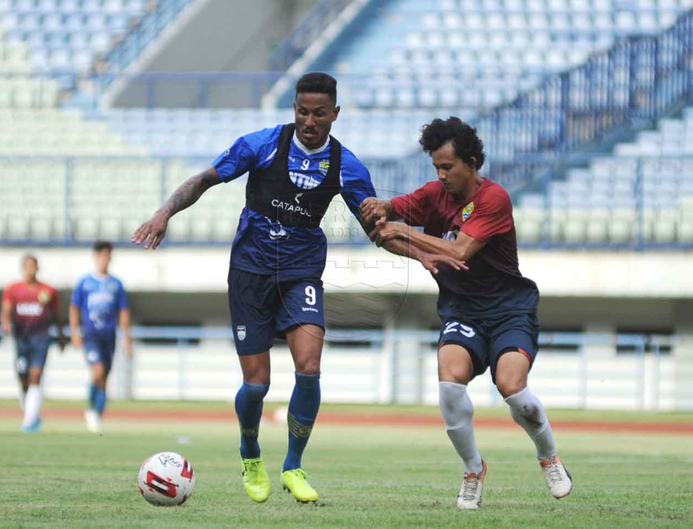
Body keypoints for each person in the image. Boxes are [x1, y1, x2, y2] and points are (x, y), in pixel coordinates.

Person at [132, 72, 458, 504]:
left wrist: (421, 255)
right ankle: (250, 454)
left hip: (302, 271)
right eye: (302, 111)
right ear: (295, 110)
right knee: (256, 386)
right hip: (250, 272)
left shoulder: (346, 165)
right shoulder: (262, 144)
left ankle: (293, 465)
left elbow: (377, 229)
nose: (309, 120)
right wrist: (164, 213)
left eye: (319, 113)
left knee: (309, 365)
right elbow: (204, 179)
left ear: (335, 114)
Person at [360, 117, 573, 510]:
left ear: (471, 162)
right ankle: (473, 470)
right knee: (449, 382)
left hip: (510, 310)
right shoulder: (431, 195)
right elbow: (389, 219)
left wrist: (402, 232)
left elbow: (458, 251)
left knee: (514, 391)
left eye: (447, 167)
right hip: (463, 311)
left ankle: (549, 457)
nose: (440, 176)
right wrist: (381, 207)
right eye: (436, 167)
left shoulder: (494, 199)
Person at [69, 241, 132, 434]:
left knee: (104, 378)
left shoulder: (116, 284)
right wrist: (74, 332)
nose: (107, 259)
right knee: (97, 371)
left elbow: (123, 312)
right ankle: (90, 409)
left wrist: (127, 338)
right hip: (91, 334)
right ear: (96, 257)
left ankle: (97, 413)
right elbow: (74, 308)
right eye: (104, 255)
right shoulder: (85, 282)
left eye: (109, 255)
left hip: (109, 336)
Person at [0, 254, 66, 432]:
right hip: (21, 339)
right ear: (23, 268)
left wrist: (61, 335)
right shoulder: (13, 289)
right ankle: (32, 411)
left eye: (33, 266)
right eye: (27, 266)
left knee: (36, 375)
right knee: (23, 379)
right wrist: (5, 324)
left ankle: (29, 422)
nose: (30, 269)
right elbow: (6, 311)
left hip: (41, 338)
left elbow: (56, 315)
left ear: (37, 268)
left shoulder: (48, 291)